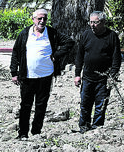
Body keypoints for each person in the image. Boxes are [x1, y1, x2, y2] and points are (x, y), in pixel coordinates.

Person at [9, 8, 75, 139]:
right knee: (25, 105)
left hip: (46, 76)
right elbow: (16, 53)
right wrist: (14, 72)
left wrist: (57, 55)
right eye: (39, 18)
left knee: (41, 105)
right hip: (28, 76)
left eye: (45, 18)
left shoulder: (52, 33)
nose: (42, 21)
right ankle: (22, 133)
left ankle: (36, 132)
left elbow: (69, 42)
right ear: (33, 19)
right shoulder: (24, 34)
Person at [74, 11, 122, 132]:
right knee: (85, 103)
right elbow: (79, 56)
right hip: (87, 77)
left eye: (95, 22)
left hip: (104, 78)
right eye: (90, 22)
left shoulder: (112, 36)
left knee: (101, 105)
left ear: (103, 22)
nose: (92, 25)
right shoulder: (86, 35)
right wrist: (77, 74)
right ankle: (84, 126)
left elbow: (116, 58)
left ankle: (97, 128)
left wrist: (113, 75)